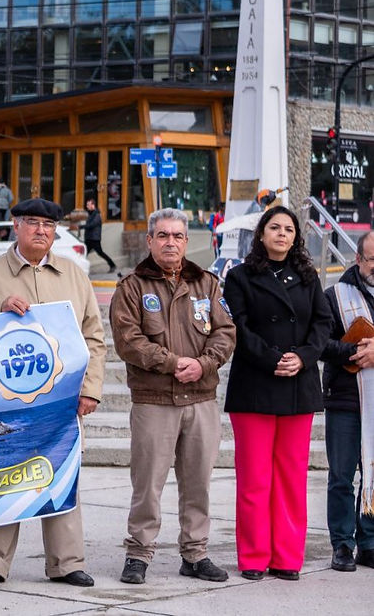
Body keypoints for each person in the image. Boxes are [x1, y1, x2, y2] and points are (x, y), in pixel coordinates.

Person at [0, 197, 105, 590]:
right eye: (33, 222)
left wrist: (89, 390)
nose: (42, 230)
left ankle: (66, 563)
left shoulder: (73, 276)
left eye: (49, 225)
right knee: (4, 478)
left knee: (63, 475)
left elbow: (94, 337)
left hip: (62, 400)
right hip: (6, 400)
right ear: (15, 226)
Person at [109, 208, 235, 585]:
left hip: (200, 399)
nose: (170, 242)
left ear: (186, 241)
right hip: (154, 401)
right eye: (162, 235)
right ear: (150, 241)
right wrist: (173, 362)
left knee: (198, 483)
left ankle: (195, 554)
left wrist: (204, 364)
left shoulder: (207, 284)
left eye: (177, 236)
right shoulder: (132, 286)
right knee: (147, 484)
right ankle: (138, 554)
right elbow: (128, 341)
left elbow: (225, 332)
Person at [223, 205, 332, 581]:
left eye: (288, 229)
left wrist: (302, 358)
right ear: (262, 234)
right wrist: (273, 359)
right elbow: (236, 327)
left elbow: (323, 323)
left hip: (298, 386)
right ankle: (253, 556)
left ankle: (287, 557)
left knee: (290, 477)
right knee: (254, 479)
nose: (282, 234)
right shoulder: (239, 277)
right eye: (275, 227)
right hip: (255, 384)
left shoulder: (307, 276)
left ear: (296, 237)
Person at [321, 231, 374, 572]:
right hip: (345, 399)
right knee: (342, 475)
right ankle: (342, 544)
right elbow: (320, 343)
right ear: (358, 260)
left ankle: (369, 542)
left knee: (373, 474)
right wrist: (356, 351)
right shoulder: (334, 296)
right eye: (372, 260)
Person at [81, 198, 117, 273]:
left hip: (94, 239)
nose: (87, 206)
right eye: (87, 204)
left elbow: (91, 225)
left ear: (93, 205)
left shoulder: (97, 215)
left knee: (98, 253)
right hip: (89, 238)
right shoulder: (91, 214)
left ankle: (112, 265)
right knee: (84, 253)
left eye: (88, 204)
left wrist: (81, 227)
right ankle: (80, 268)